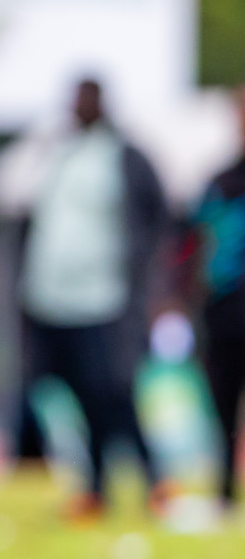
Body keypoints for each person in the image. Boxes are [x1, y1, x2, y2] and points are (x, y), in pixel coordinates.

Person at [17, 78, 168, 519]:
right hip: (52, 299)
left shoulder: (124, 156)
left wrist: (141, 279)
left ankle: (153, 478)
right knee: (77, 395)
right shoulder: (59, 152)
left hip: (105, 298)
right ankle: (96, 486)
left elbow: (155, 218)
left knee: (113, 390)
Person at [180, 86, 245, 509]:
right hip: (226, 306)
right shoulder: (220, 181)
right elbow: (190, 240)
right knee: (222, 401)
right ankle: (224, 488)